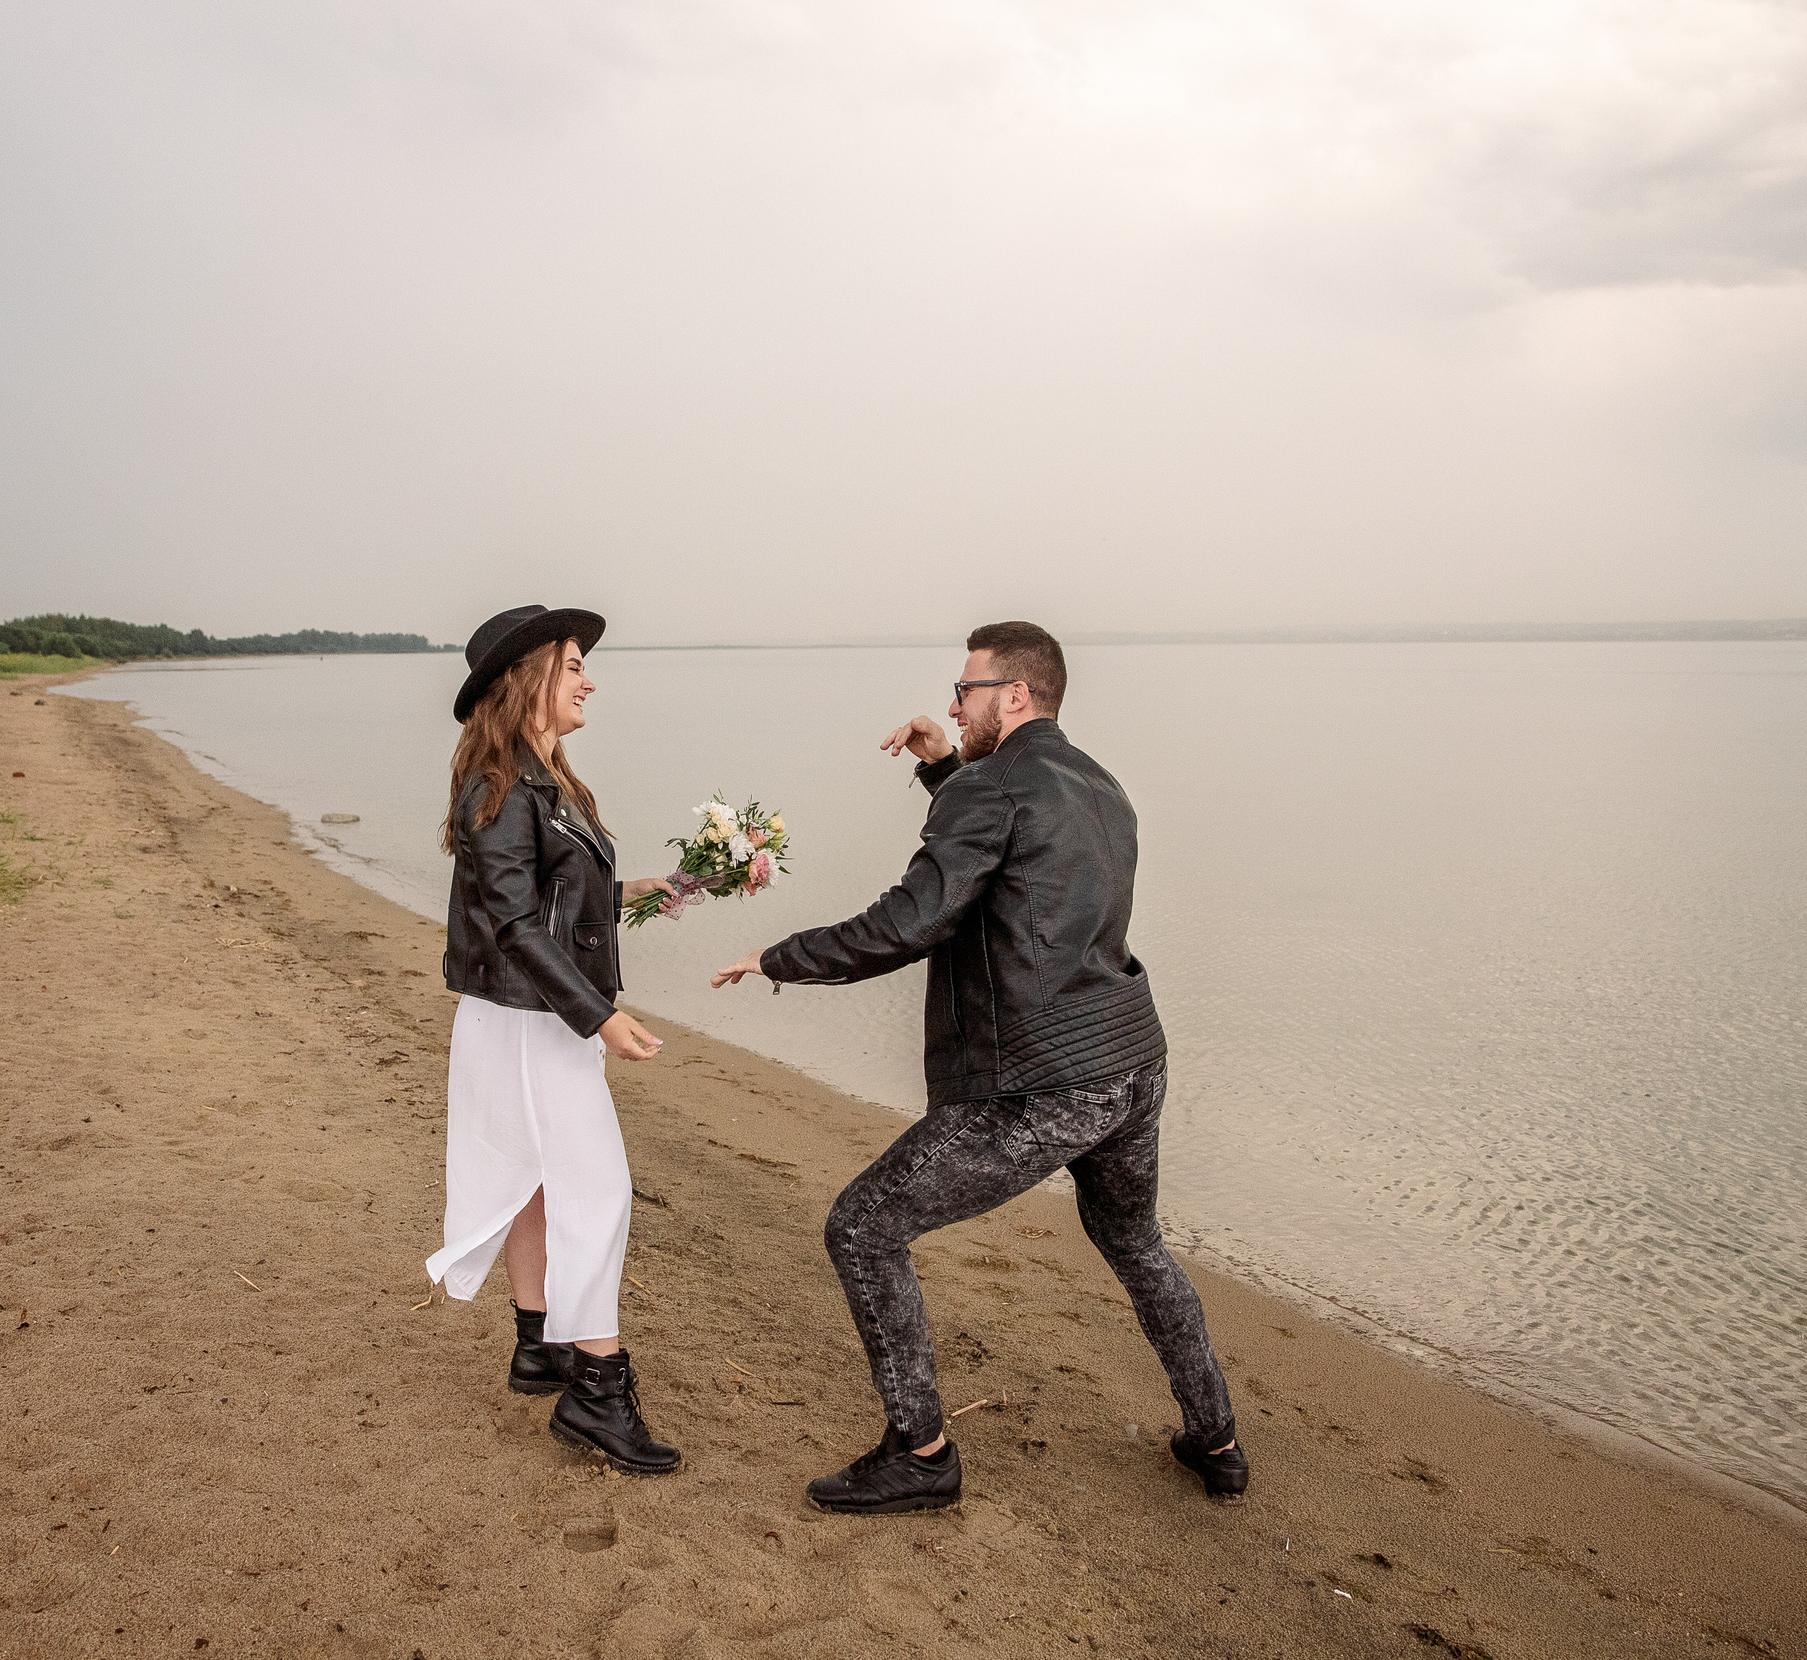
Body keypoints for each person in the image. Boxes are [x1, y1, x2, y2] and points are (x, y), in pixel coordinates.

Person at [713, 620, 1246, 1513]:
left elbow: (910, 921)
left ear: (1016, 695)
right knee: (1135, 1241)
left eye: (966, 689)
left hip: (1040, 1080)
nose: (952, 703)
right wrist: (942, 771)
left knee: (862, 1226)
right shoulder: (1103, 785)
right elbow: (1014, 858)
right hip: (1133, 1061)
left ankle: (920, 1453)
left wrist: (779, 957)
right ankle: (1217, 1437)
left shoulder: (993, 787)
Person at [425, 604, 683, 1475]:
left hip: (534, 1014)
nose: (589, 679)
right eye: (574, 664)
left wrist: (645, 888)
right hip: (529, 1018)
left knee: (540, 1183)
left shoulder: (541, 778)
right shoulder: (498, 786)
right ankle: (596, 1389)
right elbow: (515, 924)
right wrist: (601, 1015)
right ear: (530, 678)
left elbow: (554, 901)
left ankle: (540, 1345)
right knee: (599, 1189)